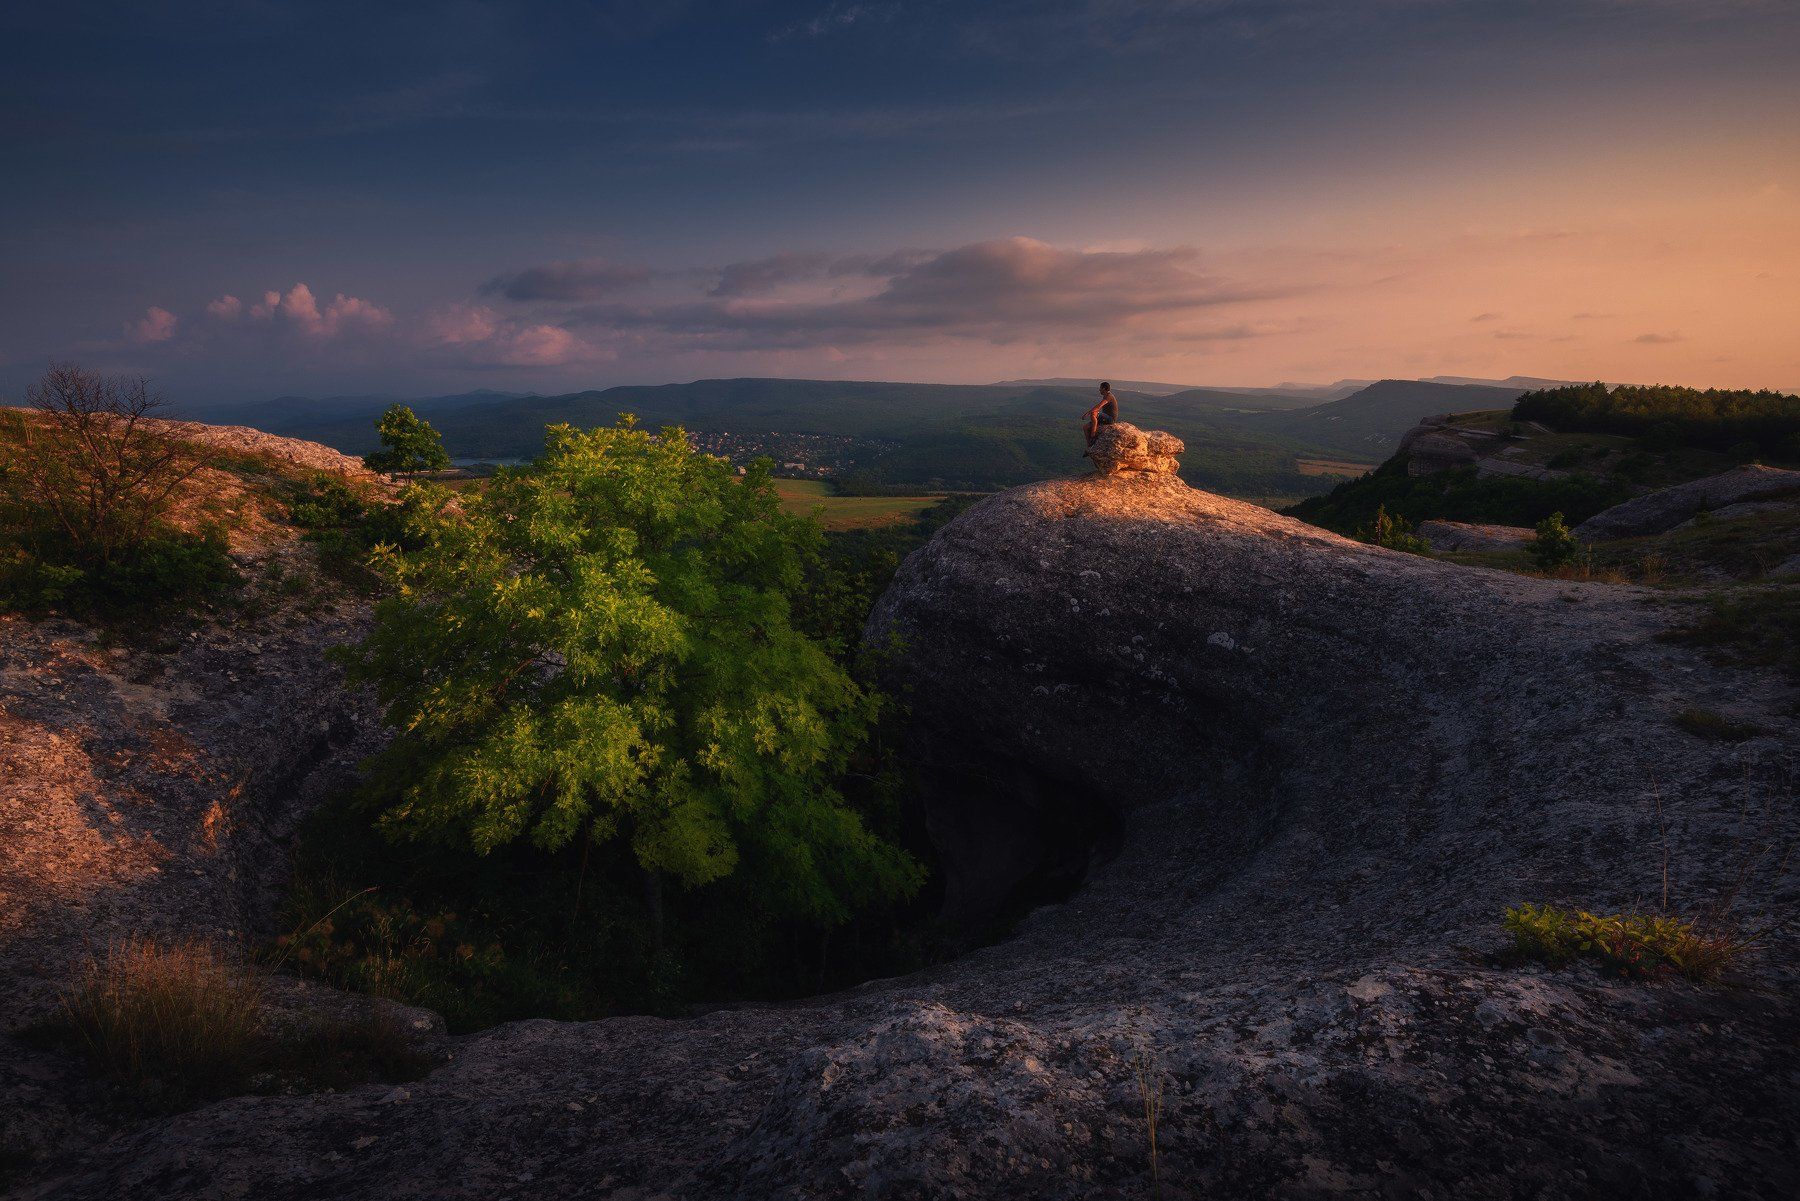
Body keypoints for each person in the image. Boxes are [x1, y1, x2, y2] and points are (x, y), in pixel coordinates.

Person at [1083, 381, 1118, 447]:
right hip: (1105, 417)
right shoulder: (1106, 396)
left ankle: (1093, 434)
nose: (1099, 390)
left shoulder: (1109, 396)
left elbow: (1099, 406)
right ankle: (1089, 445)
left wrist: (1088, 413)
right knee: (1085, 427)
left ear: (1104, 389)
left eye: (1100, 388)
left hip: (1110, 419)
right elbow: (1098, 407)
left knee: (1093, 413)